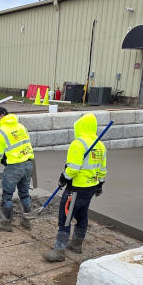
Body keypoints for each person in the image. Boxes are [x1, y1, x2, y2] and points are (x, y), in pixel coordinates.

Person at [42, 112, 106, 262]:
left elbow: (73, 168)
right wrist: (100, 184)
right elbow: (102, 169)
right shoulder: (100, 145)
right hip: (91, 187)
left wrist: (63, 178)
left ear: (80, 127)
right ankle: (77, 245)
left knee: (65, 218)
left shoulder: (78, 144)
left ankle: (59, 251)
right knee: (82, 215)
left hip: (76, 189)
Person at [0, 106, 35, 231]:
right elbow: (24, 146)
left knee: (6, 196)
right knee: (25, 194)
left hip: (14, 167)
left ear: (1, 115)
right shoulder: (21, 127)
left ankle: (6, 223)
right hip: (28, 165)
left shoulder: (0, 133)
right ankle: (27, 221)